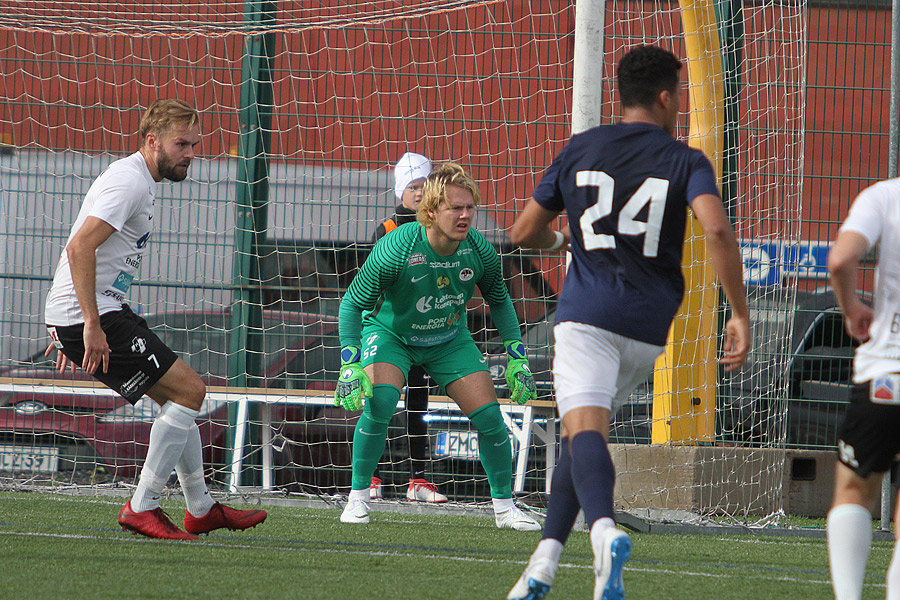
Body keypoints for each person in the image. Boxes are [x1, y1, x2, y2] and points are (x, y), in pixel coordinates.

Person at [505, 45, 750, 600]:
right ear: (665, 98)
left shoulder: (581, 147)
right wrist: (737, 312)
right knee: (580, 435)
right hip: (648, 329)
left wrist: (561, 238)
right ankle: (542, 565)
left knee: (586, 432)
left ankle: (604, 532)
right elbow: (716, 231)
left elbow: (522, 233)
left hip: (588, 317)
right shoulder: (688, 160)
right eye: (680, 95)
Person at [43, 99, 267, 540]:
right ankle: (142, 505)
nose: (191, 153)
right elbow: (79, 247)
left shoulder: (138, 179)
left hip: (99, 310)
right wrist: (85, 323)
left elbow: (80, 248)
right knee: (190, 391)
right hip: (97, 315)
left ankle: (201, 508)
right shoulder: (128, 182)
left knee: (176, 401)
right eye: (181, 144)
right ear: (151, 141)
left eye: (194, 144)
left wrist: (66, 320)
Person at [334, 161, 541, 530]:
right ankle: (357, 499)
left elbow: (500, 300)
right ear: (430, 212)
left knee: (491, 419)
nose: (465, 216)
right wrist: (350, 363)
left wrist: (517, 357)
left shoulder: (479, 249)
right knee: (380, 404)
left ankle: (505, 509)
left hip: (448, 339)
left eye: (470, 208)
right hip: (390, 335)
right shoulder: (396, 246)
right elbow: (352, 304)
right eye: (455, 208)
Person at [826, 178, 900, 600]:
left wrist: (851, 306)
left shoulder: (884, 196)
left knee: (854, 490)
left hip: (886, 372)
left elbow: (840, 260)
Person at [368, 152, 447, 503]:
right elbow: (369, 285)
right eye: (412, 187)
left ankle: (418, 480)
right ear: (401, 190)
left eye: (423, 186)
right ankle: (371, 476)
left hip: (422, 331)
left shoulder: (438, 230)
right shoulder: (385, 230)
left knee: (418, 405)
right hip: (389, 331)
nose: (418, 193)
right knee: (381, 402)